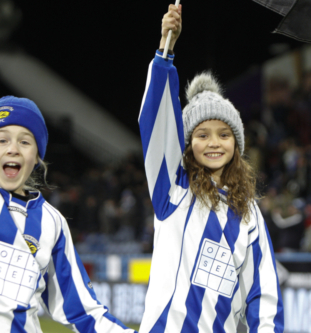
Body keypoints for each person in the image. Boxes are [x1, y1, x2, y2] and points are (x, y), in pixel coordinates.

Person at [138, 5, 283, 333]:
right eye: (202, 135)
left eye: (224, 134)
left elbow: (262, 291)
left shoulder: (249, 212)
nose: (214, 143)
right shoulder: (172, 189)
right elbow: (157, 122)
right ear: (187, 144)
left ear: (237, 143)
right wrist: (165, 50)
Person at [0, 96, 136, 332]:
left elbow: (82, 312)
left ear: (37, 157)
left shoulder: (52, 222)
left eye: (24, 142)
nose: (12, 149)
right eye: (2, 140)